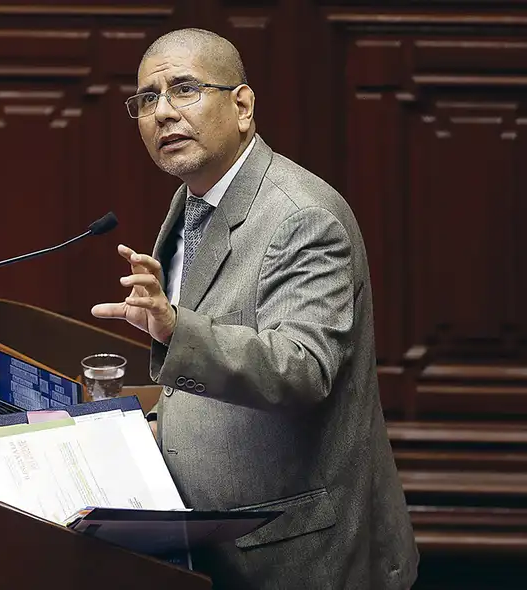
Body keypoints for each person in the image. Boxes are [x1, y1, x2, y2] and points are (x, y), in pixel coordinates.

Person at [91, 28, 419, 589]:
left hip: (296, 553)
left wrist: (174, 328)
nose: (163, 112)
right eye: (147, 99)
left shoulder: (301, 217)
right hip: (216, 540)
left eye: (184, 89)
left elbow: (301, 368)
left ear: (242, 106)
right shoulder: (195, 198)